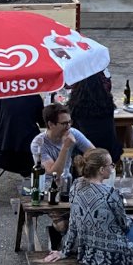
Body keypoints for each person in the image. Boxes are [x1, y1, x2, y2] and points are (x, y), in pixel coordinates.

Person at [43, 148, 133, 265]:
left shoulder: (76, 186)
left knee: (131, 228)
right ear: (102, 170)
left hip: (88, 252)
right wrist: (131, 220)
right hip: (113, 256)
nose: (113, 168)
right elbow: (124, 225)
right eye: (111, 165)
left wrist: (64, 251)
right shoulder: (111, 194)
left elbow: (73, 223)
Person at [30, 103, 93, 251]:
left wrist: (87, 163)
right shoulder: (39, 143)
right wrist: (65, 147)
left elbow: (94, 153)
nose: (68, 126)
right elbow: (54, 173)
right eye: (64, 123)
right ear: (51, 124)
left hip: (69, 183)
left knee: (91, 214)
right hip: (48, 188)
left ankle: (79, 246)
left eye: (70, 122)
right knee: (63, 225)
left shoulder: (73, 133)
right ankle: (57, 233)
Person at [69, 72, 122, 163]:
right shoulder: (107, 101)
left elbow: (72, 127)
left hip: (86, 152)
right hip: (111, 151)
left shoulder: (76, 105)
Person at [0, 94, 43, 176]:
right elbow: (42, 122)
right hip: (29, 156)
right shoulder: (34, 97)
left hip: (4, 153)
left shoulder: (3, 96)